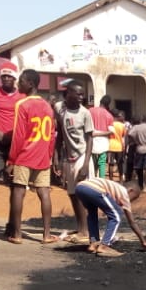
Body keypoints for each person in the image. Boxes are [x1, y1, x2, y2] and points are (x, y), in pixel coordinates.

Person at [6, 69, 56, 244]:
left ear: (31, 84)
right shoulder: (48, 106)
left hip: (24, 155)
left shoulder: (23, 104)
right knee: (44, 193)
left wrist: (12, 159)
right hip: (43, 156)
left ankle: (18, 234)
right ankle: (47, 235)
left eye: (21, 81)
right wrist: (49, 155)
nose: (18, 84)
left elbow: (18, 135)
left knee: (19, 191)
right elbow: (51, 134)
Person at [0, 61, 24, 237]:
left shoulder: (22, 97)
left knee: (15, 187)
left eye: (9, 76)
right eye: (3, 76)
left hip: (15, 147)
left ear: (15, 78)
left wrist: (13, 135)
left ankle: (12, 225)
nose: (6, 79)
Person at [74, 177, 146, 257]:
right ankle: (104, 246)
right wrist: (143, 241)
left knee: (92, 214)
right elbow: (132, 222)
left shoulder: (114, 188)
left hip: (80, 188)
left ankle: (93, 243)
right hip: (94, 189)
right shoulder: (124, 193)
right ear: (131, 191)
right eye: (134, 198)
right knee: (116, 215)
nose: (131, 201)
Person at [55, 80, 94, 240]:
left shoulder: (85, 113)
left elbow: (90, 138)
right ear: (68, 93)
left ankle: (86, 230)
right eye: (78, 94)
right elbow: (59, 134)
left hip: (82, 157)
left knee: (83, 194)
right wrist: (56, 157)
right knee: (71, 194)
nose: (81, 97)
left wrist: (85, 164)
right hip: (68, 158)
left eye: (82, 95)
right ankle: (81, 228)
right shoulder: (59, 108)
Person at [126, 113, 146, 190]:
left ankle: (133, 186)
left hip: (138, 149)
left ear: (142, 119)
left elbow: (129, 134)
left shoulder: (136, 127)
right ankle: (145, 186)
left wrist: (135, 140)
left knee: (136, 168)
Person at [88, 95, 115, 178]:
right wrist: (100, 133)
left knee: (92, 161)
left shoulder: (90, 111)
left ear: (100, 101)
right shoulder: (109, 115)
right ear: (108, 104)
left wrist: (95, 134)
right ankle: (102, 180)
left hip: (91, 139)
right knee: (102, 162)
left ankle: (93, 179)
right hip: (103, 142)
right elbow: (111, 132)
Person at [108, 110, 127, 179]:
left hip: (111, 146)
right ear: (118, 117)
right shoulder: (122, 125)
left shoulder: (110, 124)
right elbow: (123, 136)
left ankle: (110, 179)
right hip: (119, 147)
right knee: (120, 164)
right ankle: (121, 180)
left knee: (110, 164)